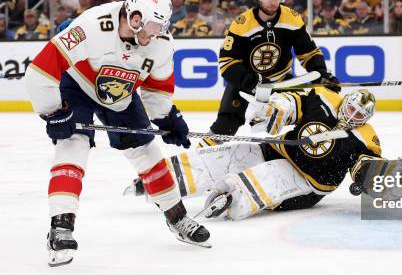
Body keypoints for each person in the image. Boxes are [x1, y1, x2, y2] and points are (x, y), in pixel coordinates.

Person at [24, 0, 211, 267]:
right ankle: (60, 226)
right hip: (76, 85)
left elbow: (157, 89)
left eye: (162, 25)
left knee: (146, 150)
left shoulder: (160, 43)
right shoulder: (91, 25)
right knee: (73, 145)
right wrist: (52, 112)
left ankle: (177, 217)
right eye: (153, 24)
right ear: (135, 18)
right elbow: (41, 69)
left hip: (119, 94)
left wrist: (166, 118)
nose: (158, 32)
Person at [126, 88, 386, 221]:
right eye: (351, 109)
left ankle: (230, 197)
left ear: (367, 118)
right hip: (278, 148)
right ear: (346, 101)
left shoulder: (365, 138)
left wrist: (366, 175)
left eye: (359, 115)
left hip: (308, 183)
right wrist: (282, 106)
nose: (351, 116)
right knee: (230, 155)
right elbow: (296, 101)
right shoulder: (326, 99)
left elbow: (368, 163)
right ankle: (165, 176)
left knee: (268, 178)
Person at [211, 0, 340, 136]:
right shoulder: (241, 24)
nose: (273, 2)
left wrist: (321, 72)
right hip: (249, 83)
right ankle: (207, 151)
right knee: (225, 126)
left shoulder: (292, 19)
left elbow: (307, 51)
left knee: (313, 109)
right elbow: (227, 63)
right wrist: (252, 82)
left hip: (281, 82)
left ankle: (299, 145)